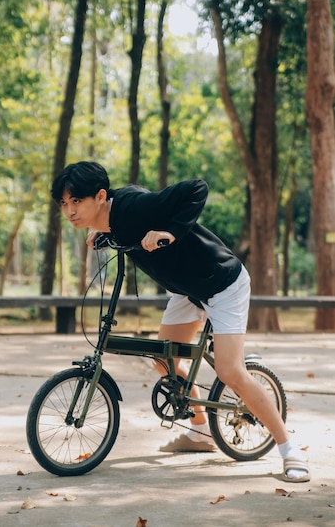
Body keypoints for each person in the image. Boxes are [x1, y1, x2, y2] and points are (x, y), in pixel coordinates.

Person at [51, 160, 310, 483]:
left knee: (230, 371)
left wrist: (169, 232)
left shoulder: (134, 206)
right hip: (187, 291)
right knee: (164, 358)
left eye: (77, 201)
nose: (70, 211)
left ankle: (289, 449)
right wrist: (102, 234)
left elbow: (196, 188)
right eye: (64, 204)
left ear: (100, 196)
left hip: (222, 283)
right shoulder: (110, 220)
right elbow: (119, 228)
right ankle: (201, 434)